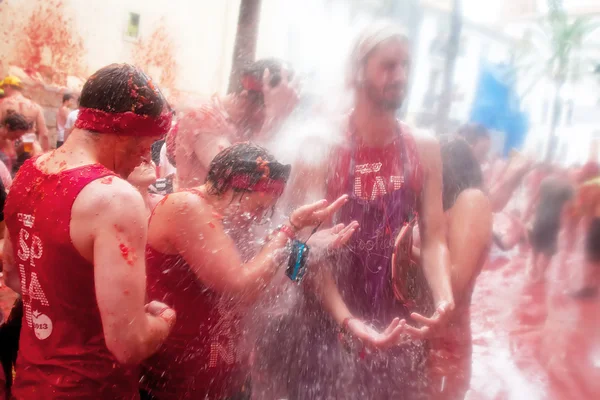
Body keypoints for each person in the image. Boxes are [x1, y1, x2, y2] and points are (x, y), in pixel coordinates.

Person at [277, 22, 454, 399]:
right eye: (388, 66)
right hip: (323, 322)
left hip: (393, 323)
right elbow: (309, 246)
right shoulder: (323, 144)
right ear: (358, 71)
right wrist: (348, 320)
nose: (401, 76)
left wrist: (443, 297)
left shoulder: (424, 148)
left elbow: (435, 238)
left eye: (406, 66)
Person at [2, 64, 176, 399]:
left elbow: (13, 278)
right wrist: (165, 319)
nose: (146, 161)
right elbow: (128, 344)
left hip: (31, 380)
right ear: (123, 131)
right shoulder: (114, 197)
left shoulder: (28, 171)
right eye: (146, 145)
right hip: (92, 387)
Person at [141, 142, 357, 399]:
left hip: (230, 378)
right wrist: (290, 228)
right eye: (257, 208)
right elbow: (243, 289)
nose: (258, 218)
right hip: (178, 384)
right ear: (229, 188)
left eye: (267, 211)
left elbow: (268, 284)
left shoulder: (232, 217)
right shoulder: (186, 206)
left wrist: (306, 249)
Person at [424, 137, 492, 400]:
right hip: (421, 341)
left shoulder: (471, 200)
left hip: (444, 346)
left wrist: (401, 250)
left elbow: (455, 282)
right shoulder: (437, 209)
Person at [168, 58, 299, 188]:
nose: (282, 120)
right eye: (272, 109)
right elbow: (239, 180)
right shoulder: (204, 117)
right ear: (245, 95)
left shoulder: (246, 126)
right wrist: (273, 118)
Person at [526, 170, 574, 282]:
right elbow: (568, 208)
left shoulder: (546, 181)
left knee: (536, 243)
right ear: (567, 175)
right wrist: (567, 227)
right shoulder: (568, 187)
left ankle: (533, 265)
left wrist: (527, 212)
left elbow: (535, 197)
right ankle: (541, 275)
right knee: (549, 248)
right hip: (554, 220)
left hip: (540, 216)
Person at [0, 76, 49, 152]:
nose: (3, 90)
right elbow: (44, 134)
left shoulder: (3, 104)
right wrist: (46, 153)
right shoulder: (35, 106)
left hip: (9, 148)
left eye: (3, 88)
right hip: (28, 146)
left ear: (8, 87)